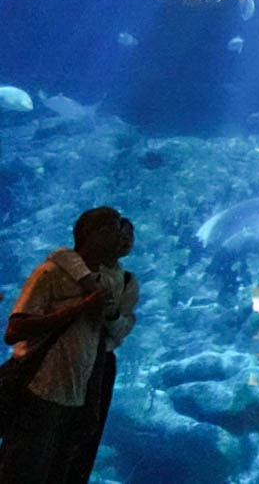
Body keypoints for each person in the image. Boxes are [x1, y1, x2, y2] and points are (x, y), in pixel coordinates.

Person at [0, 206, 123, 484]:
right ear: (93, 233)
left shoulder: (105, 282)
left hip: (75, 400)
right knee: (19, 471)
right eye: (114, 230)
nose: (121, 236)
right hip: (39, 391)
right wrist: (80, 308)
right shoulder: (51, 273)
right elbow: (14, 331)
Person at [60, 216, 140, 483]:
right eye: (120, 233)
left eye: (130, 235)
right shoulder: (73, 266)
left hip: (102, 359)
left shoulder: (128, 281)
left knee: (89, 428)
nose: (126, 239)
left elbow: (123, 328)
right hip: (67, 356)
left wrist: (111, 314)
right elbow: (62, 256)